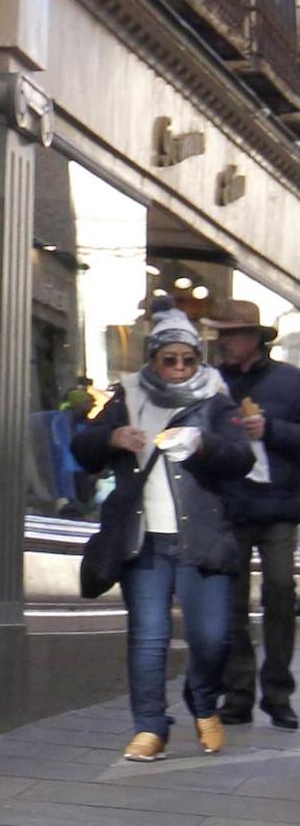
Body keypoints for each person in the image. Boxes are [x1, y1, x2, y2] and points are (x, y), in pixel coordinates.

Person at [71, 298, 254, 761]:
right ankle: (150, 727)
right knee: (148, 637)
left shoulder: (216, 400)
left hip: (203, 540)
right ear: (152, 358)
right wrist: (111, 437)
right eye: (168, 358)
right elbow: (82, 448)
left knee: (213, 637)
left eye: (187, 359)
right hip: (143, 540)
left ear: (199, 360)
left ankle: (202, 700)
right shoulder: (127, 398)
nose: (178, 367)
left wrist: (201, 444)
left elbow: (241, 458)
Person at [203, 299, 300, 730]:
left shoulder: (291, 382)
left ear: (256, 339)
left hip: (280, 504)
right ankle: (238, 694)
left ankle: (278, 694)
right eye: (221, 334)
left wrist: (272, 429)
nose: (224, 342)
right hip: (231, 504)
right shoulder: (211, 383)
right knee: (232, 603)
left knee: (279, 591)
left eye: (233, 334)